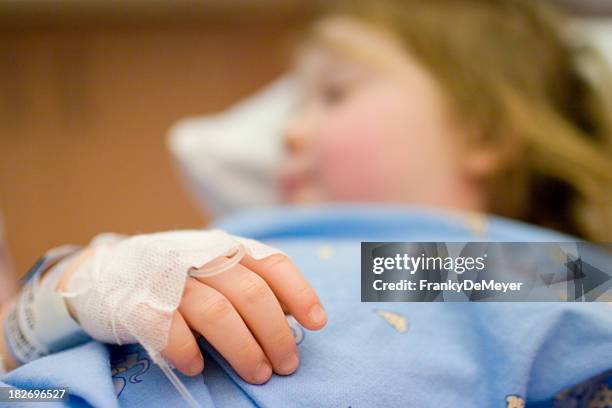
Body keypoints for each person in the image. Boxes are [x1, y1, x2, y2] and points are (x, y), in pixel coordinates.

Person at [2, 0, 612, 406]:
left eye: (334, 94)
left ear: (483, 130)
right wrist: (89, 284)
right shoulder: (234, 238)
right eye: (296, 105)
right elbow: (17, 339)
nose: (290, 133)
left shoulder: (489, 262)